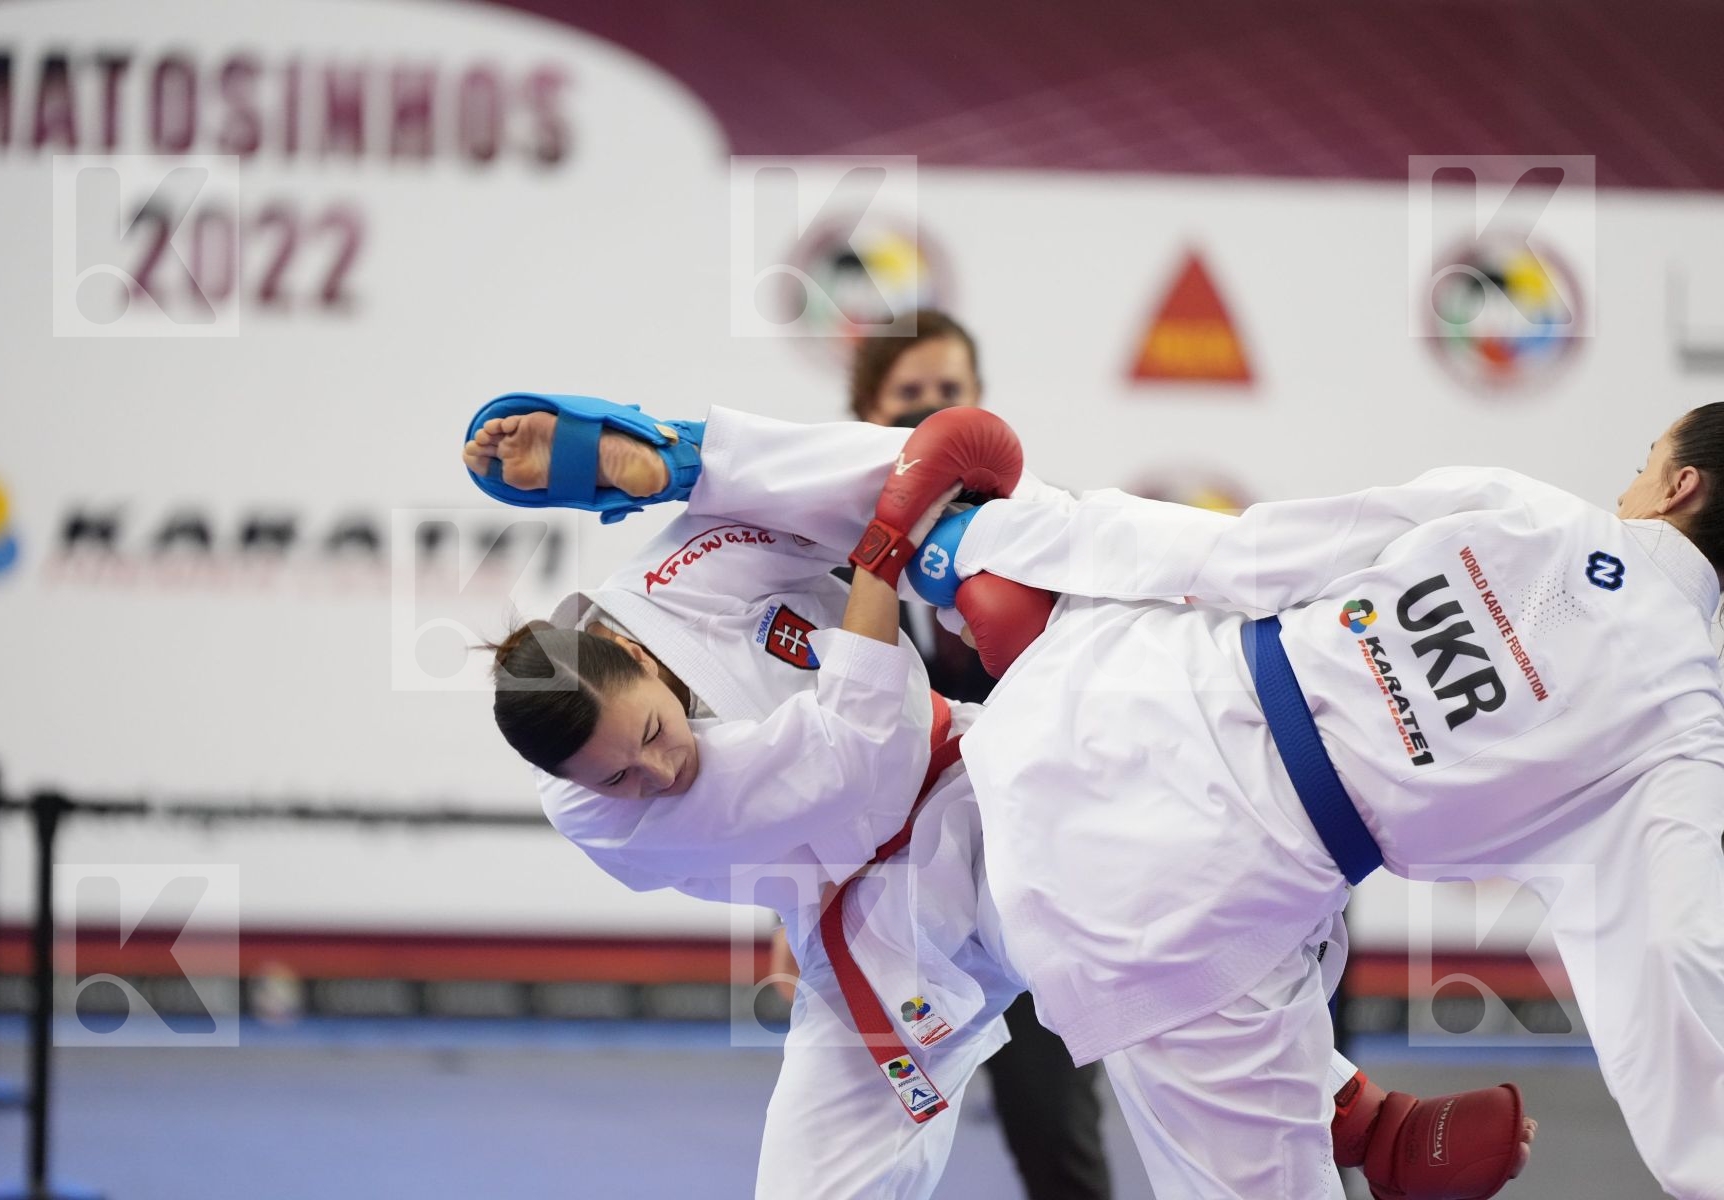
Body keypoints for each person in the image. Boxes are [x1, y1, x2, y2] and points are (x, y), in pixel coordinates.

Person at [461, 398, 1539, 1200]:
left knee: (1153, 890)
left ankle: (1360, 1124)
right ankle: (1355, 1118)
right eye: (616, 777)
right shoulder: (596, 814)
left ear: (626, 652)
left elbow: (829, 490)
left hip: (996, 790)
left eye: (648, 736)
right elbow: (854, 753)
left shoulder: (686, 573)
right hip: (881, 934)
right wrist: (884, 557)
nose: (653, 775)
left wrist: (676, 465)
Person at [894, 403, 1724, 1199]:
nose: (1628, 491)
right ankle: (1364, 1121)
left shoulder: (1537, 514)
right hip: (1203, 904)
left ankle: (1363, 1116)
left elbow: (1251, 554)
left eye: (1641, 467)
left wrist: (1012, 537)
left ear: (1681, 486)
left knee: (899, 888)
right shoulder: (1682, 729)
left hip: (1121, 707)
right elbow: (1674, 953)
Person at [845, 311, 1114, 1200]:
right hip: (904, 917)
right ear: (865, 412)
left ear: (978, 407)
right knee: (874, 1151)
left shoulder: (1052, 535)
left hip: (1045, 888)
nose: (931, 411)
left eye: (949, 393)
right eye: (909, 397)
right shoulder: (832, 570)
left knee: (1057, 1132)